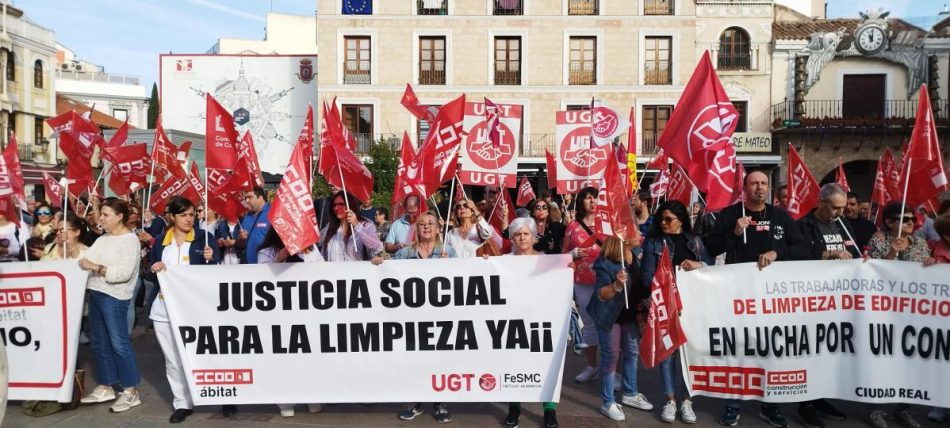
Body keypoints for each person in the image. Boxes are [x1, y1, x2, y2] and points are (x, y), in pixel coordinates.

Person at [703, 170, 806, 428]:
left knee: (770, 350)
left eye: (763, 183)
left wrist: (776, 252)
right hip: (739, 296)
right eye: (754, 184)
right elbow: (712, 247)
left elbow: (803, 248)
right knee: (739, 350)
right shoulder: (729, 215)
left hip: (773, 300)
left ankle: (770, 405)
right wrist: (735, 233)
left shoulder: (780, 216)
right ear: (744, 187)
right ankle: (732, 404)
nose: (759, 188)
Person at [145, 196, 229, 423]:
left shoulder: (205, 238)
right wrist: (154, 268)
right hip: (164, 308)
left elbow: (215, 272)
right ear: (172, 217)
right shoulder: (161, 240)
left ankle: (224, 395)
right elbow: (148, 272)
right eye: (183, 215)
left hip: (196, 309)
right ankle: (182, 403)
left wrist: (212, 259)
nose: (189, 219)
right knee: (173, 359)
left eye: (192, 214)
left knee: (207, 353)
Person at [373, 212, 455, 423]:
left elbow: (464, 279)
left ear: (438, 228)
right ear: (416, 229)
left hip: (440, 316)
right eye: (422, 224)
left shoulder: (448, 252)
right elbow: (387, 268)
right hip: (411, 317)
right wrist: (378, 263)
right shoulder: (405, 253)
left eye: (431, 223)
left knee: (439, 359)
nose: (426, 227)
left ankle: (440, 403)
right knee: (413, 358)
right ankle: (415, 401)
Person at [641, 201, 712, 423]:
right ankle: (670, 400)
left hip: (692, 306)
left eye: (668, 219)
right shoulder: (653, 243)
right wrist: (666, 278)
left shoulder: (696, 243)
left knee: (690, 354)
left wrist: (699, 265)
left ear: (681, 220)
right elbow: (646, 278)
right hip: (666, 306)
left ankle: (687, 401)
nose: (663, 223)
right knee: (668, 354)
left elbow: (711, 269)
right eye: (661, 219)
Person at [866, 202, 929, 428]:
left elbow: (927, 273)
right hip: (884, 312)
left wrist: (933, 264)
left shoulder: (921, 243)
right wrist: (893, 251)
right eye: (906, 219)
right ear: (890, 222)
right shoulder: (878, 240)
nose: (912, 223)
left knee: (909, 360)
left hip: (912, 313)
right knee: (882, 360)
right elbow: (874, 272)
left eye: (913, 219)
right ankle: (877, 409)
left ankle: (903, 409)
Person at [77, 199, 143, 413]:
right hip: (96, 293)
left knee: (119, 343)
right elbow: (84, 259)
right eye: (102, 214)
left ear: (119, 216)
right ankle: (106, 385)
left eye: (105, 214)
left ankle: (131, 390)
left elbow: (123, 273)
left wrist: (95, 266)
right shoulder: (103, 239)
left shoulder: (130, 240)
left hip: (115, 297)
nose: (101, 218)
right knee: (99, 343)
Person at [586, 235, 652, 422]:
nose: (640, 234)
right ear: (624, 238)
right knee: (610, 356)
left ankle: (630, 393)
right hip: (609, 315)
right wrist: (616, 285)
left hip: (628, 314)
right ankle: (607, 402)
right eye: (635, 232)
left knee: (632, 352)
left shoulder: (637, 254)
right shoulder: (605, 262)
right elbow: (601, 294)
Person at [503, 217, 559, 428]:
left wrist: (567, 268)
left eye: (526, 233)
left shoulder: (548, 260)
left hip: (542, 320)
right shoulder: (503, 261)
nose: (522, 237)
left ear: (534, 237)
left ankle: (550, 410)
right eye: (517, 234)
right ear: (512, 238)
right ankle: (514, 407)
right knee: (514, 362)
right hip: (513, 320)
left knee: (546, 363)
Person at [563, 187, 603, 383]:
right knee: (589, 325)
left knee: (612, 325)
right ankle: (592, 366)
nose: (592, 202)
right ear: (581, 202)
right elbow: (564, 254)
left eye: (595, 198)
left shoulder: (607, 224)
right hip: (583, 280)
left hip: (607, 279)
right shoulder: (572, 226)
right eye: (588, 198)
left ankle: (614, 371)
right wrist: (574, 253)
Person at [797, 184, 862, 261]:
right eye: (836, 208)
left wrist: (863, 259)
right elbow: (799, 255)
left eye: (843, 208)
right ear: (821, 202)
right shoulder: (803, 226)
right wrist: (829, 254)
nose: (840, 213)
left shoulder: (844, 223)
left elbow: (854, 253)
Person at [320, 191, 383, 261]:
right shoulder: (330, 227)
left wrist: (357, 225)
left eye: (341, 204)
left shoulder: (366, 225)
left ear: (350, 205)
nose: (336, 208)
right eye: (334, 205)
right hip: (333, 271)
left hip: (357, 271)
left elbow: (377, 247)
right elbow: (320, 247)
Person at [238, 186, 271, 264]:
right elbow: (240, 244)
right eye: (246, 198)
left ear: (260, 198)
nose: (246, 200)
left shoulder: (272, 212)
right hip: (248, 267)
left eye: (250, 197)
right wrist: (241, 239)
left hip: (268, 266)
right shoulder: (247, 217)